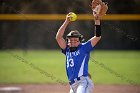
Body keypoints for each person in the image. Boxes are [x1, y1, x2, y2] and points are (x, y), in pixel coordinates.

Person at [56, 11, 101, 93]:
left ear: (80, 41)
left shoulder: (84, 47)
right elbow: (58, 37)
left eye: (75, 40)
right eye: (70, 39)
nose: (72, 41)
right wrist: (66, 21)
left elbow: (97, 37)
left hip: (83, 82)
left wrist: (97, 19)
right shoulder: (67, 49)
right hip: (72, 85)